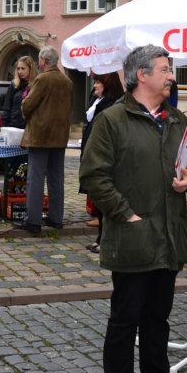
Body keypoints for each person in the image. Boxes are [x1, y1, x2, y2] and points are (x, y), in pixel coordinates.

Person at [79, 45, 187, 373]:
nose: (171, 76)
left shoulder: (175, 119)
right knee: (125, 319)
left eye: (171, 69)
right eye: (166, 69)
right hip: (133, 237)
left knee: (158, 318)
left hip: (169, 237)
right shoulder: (113, 120)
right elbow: (93, 176)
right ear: (142, 75)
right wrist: (125, 213)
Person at [17, 46, 73, 234]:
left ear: (42, 60)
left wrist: (24, 106)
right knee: (57, 178)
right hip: (59, 135)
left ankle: (33, 221)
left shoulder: (42, 79)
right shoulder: (67, 81)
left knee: (36, 178)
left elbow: (28, 105)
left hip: (40, 135)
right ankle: (56, 218)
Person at [79, 71, 125, 253]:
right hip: (94, 154)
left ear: (108, 84)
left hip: (106, 157)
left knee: (106, 202)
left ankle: (105, 240)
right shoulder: (98, 100)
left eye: (98, 82)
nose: (95, 85)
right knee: (98, 201)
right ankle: (100, 238)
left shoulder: (113, 104)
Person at [1, 56, 38, 129]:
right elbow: (7, 107)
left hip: (30, 129)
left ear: (31, 69)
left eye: (23, 68)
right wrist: (5, 126)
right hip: (13, 127)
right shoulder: (14, 85)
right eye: (18, 69)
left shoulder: (36, 85)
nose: (20, 71)